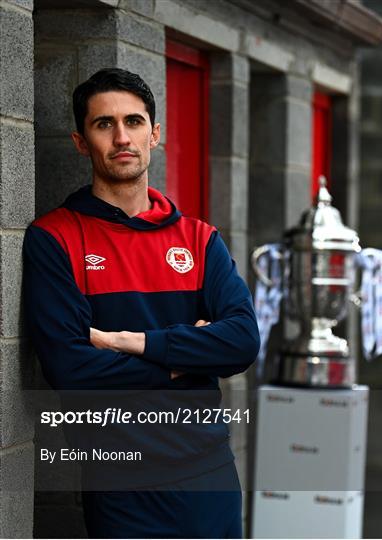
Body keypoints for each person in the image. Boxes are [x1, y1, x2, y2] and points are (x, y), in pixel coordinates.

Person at [23, 68, 260, 538]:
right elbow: (70, 369)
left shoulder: (199, 238)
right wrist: (180, 359)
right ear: (80, 141)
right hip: (120, 481)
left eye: (133, 122)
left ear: (155, 135)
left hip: (207, 472)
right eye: (103, 124)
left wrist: (134, 343)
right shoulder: (54, 238)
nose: (121, 137)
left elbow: (242, 342)